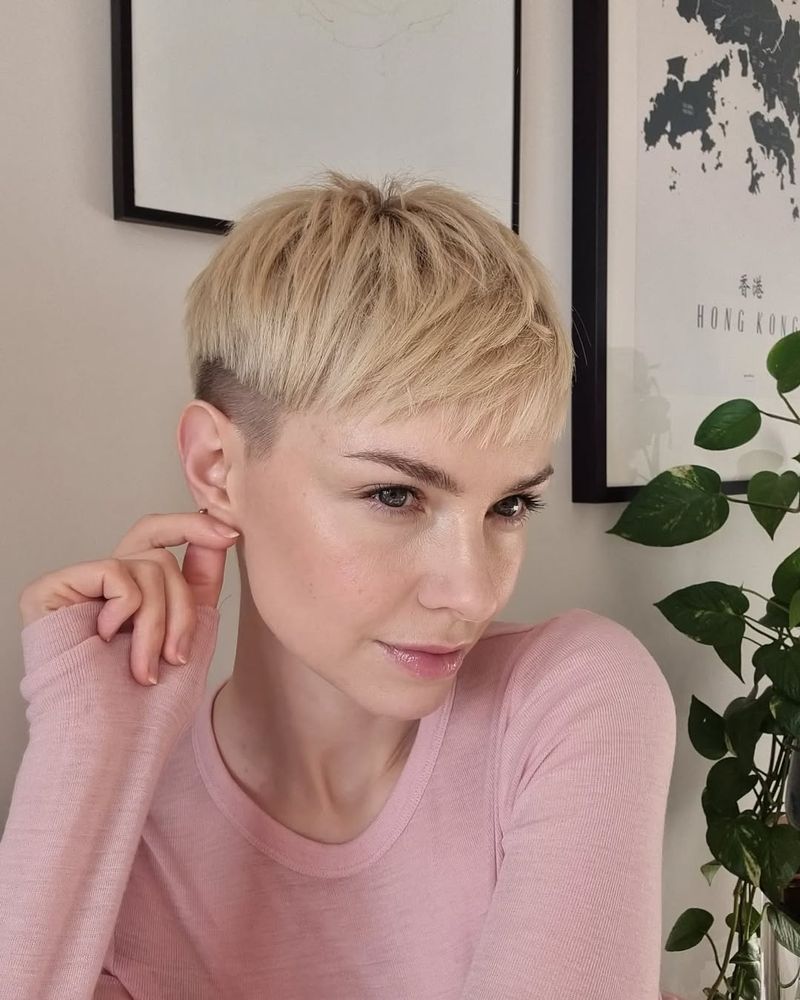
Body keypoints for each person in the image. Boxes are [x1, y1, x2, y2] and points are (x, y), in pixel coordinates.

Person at [0, 170, 677, 998]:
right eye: (394, 495)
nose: (473, 593)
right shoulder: (118, 832)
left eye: (509, 506)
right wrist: (83, 752)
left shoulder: (566, 699)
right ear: (216, 468)